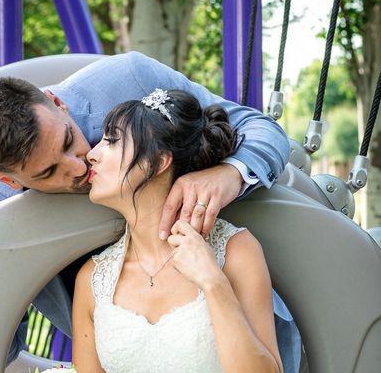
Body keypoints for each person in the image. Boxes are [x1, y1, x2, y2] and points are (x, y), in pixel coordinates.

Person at [0, 52, 299, 370]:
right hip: (110, 339)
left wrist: (229, 172)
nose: (79, 167)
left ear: (56, 102)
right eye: (47, 173)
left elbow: (261, 128)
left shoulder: (131, 78)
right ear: (8, 181)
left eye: (68, 142)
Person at [72, 89, 282, 372]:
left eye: (111, 141)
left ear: (158, 162)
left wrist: (213, 282)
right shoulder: (91, 280)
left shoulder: (236, 251)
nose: (92, 155)